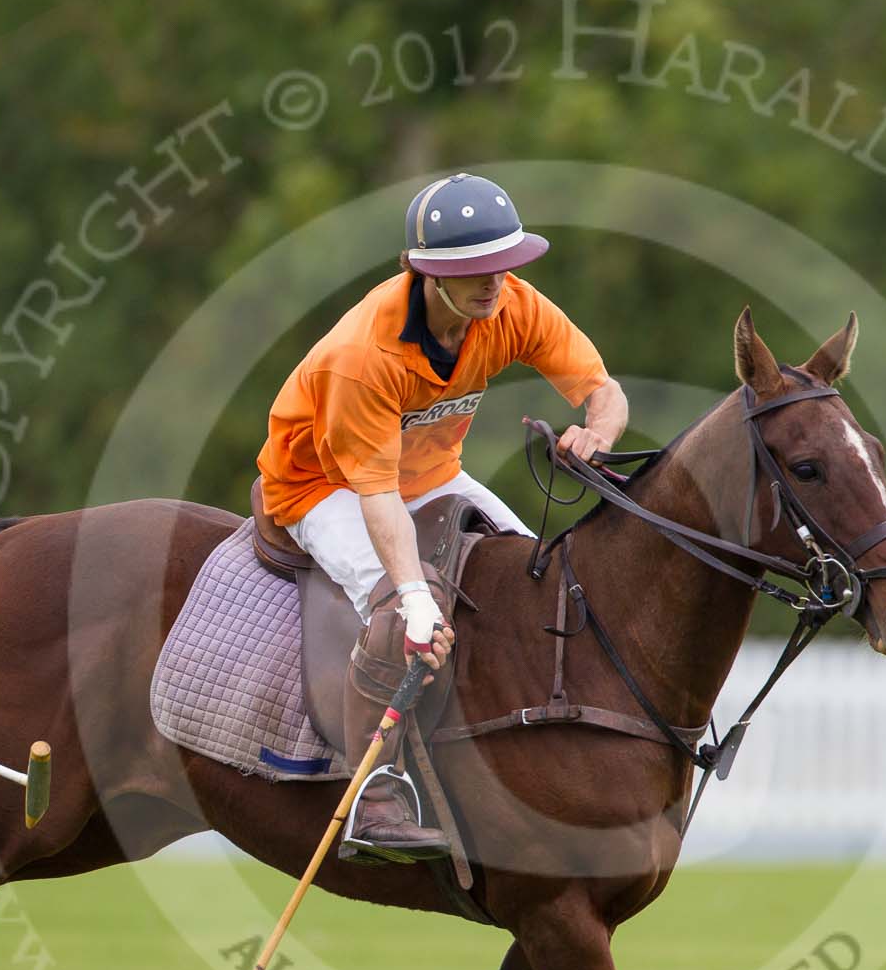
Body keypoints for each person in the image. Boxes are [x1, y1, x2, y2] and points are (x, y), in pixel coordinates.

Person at [256, 173, 629, 860]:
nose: (494, 283)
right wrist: (415, 594)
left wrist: (596, 432)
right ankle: (373, 794)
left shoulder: (510, 307)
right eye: (474, 271)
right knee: (403, 615)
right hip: (322, 483)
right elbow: (376, 496)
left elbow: (602, 389)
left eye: (503, 265)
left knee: (533, 579)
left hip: (429, 470)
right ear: (424, 274)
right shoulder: (363, 357)